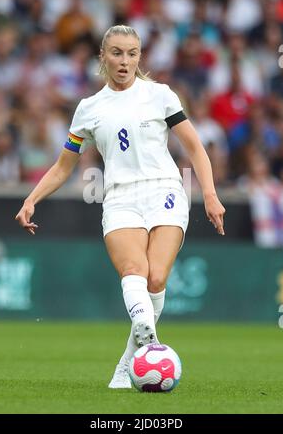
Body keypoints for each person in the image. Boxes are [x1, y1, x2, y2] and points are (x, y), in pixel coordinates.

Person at [15, 25, 225, 389]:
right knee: (134, 269)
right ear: (103, 57)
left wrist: (209, 193)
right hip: (119, 197)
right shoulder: (89, 109)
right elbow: (63, 166)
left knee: (156, 277)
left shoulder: (160, 95)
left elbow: (194, 147)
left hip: (166, 191)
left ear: (139, 56)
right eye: (116, 52)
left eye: (131, 53)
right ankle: (146, 338)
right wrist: (32, 198)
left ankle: (127, 363)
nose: (124, 61)